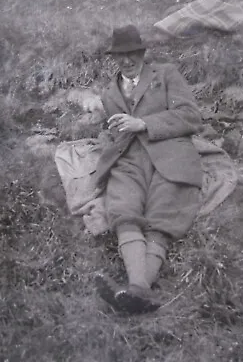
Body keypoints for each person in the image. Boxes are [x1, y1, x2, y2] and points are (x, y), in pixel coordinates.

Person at [89, 24, 203, 314]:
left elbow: (191, 117)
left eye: (132, 54)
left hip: (171, 153)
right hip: (129, 157)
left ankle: (136, 288)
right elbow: (118, 131)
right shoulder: (109, 93)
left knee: (163, 215)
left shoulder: (165, 74)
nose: (127, 61)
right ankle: (139, 292)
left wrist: (145, 123)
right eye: (120, 56)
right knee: (122, 209)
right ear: (113, 58)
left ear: (142, 52)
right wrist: (118, 134)